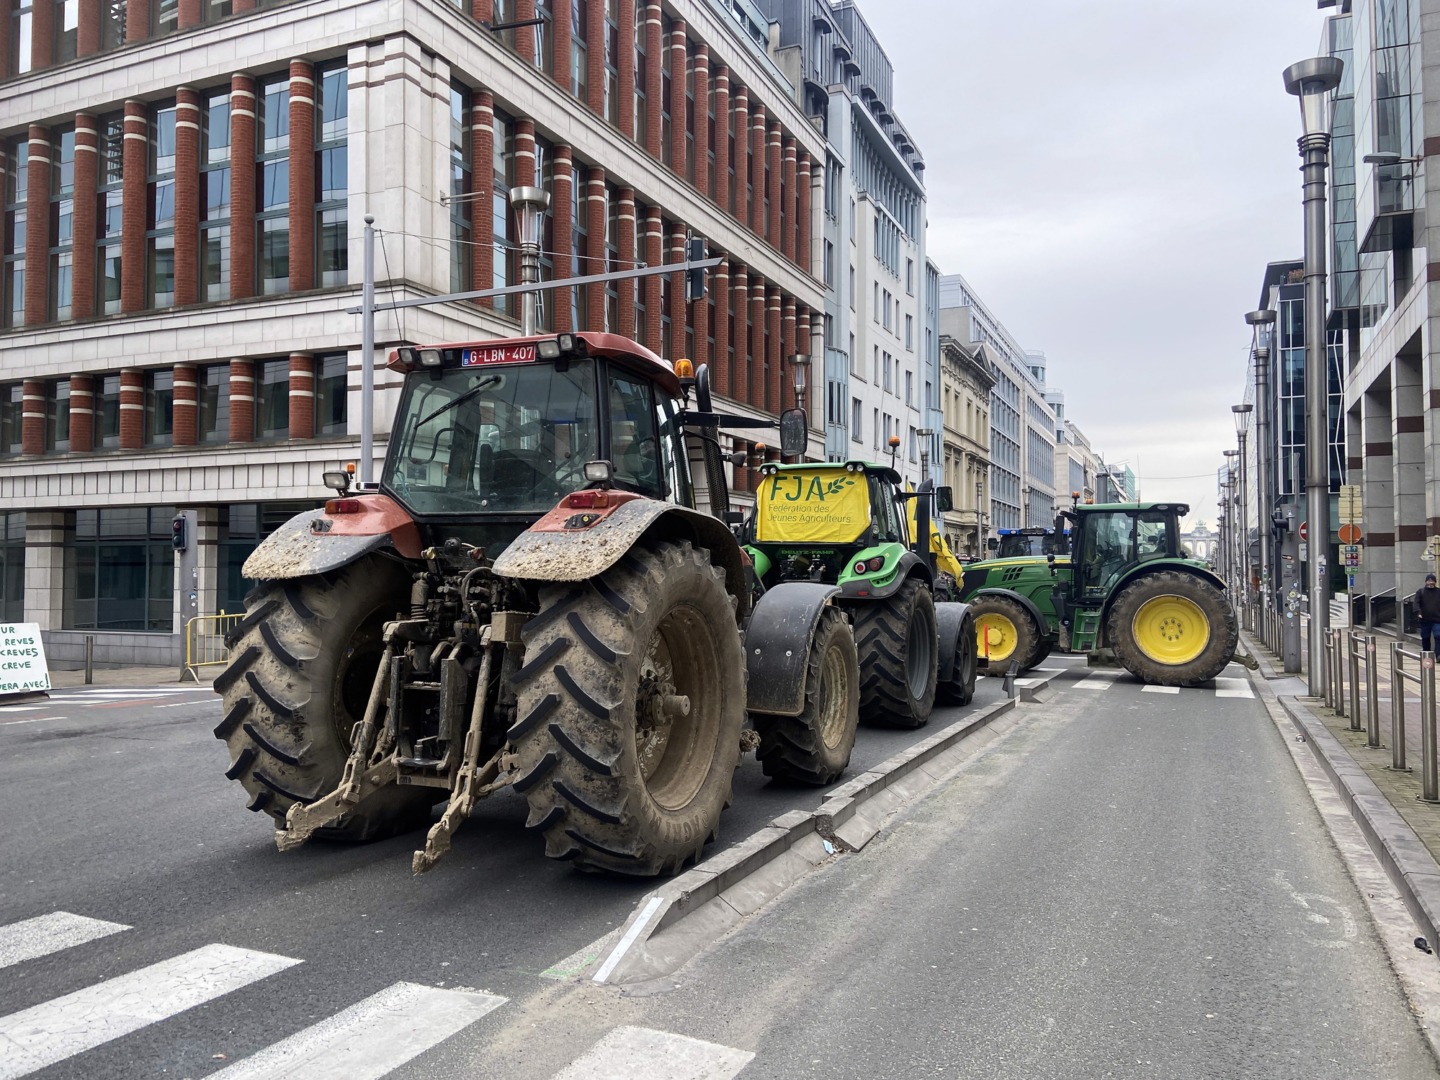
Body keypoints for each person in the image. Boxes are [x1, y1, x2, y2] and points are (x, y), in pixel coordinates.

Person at [1416, 573, 1440, 653]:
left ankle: (1438, 655)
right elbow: (1416, 603)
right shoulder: (1420, 592)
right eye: (1429, 581)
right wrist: (1419, 612)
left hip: (1437, 619)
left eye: (1432, 581)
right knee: (1425, 637)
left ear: (1435, 582)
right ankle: (1426, 653)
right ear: (1426, 582)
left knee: (1438, 636)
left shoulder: (1438, 592)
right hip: (1425, 619)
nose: (1430, 582)